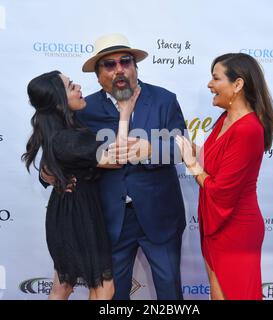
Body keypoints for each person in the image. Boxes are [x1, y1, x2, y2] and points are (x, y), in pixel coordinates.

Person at [76, 33, 186, 300]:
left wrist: (150, 149)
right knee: (114, 296)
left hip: (160, 216)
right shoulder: (84, 109)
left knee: (170, 290)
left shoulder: (163, 99)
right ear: (98, 74)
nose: (119, 69)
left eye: (125, 62)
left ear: (135, 67)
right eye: (109, 65)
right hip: (110, 220)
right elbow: (69, 155)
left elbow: (182, 149)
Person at [22, 70, 139, 300]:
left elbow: (58, 162)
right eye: (70, 86)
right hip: (78, 215)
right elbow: (118, 158)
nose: (77, 88)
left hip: (71, 209)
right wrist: (125, 112)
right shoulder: (67, 138)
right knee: (103, 288)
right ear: (58, 102)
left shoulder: (61, 131)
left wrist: (51, 173)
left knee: (62, 285)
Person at [176, 53, 273, 300]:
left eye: (215, 78)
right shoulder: (225, 119)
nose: (210, 84)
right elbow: (215, 159)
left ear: (238, 84)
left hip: (236, 229)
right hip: (216, 224)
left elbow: (221, 190)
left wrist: (191, 163)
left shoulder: (248, 129)